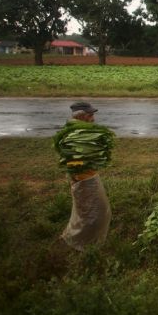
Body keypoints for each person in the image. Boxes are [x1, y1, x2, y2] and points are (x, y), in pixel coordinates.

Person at [53, 101, 114, 251]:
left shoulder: (79, 131)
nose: (93, 118)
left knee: (84, 212)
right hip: (84, 180)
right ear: (81, 116)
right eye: (90, 115)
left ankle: (74, 238)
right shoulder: (73, 135)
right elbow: (74, 160)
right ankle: (83, 245)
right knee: (96, 214)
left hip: (87, 177)